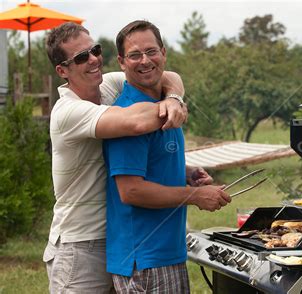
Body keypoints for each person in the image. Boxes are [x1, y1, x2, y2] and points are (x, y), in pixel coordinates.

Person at [42, 22, 188, 293]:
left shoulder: (106, 85)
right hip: (80, 246)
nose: (94, 59)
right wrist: (169, 106)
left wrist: (175, 97)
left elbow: (166, 75)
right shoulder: (68, 112)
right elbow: (136, 122)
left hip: (116, 239)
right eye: (82, 57)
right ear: (63, 71)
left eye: (94, 50)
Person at [103, 20, 232, 293]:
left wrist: (184, 172)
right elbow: (131, 191)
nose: (145, 60)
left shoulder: (164, 105)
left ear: (164, 52)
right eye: (135, 55)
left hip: (163, 252)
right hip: (146, 258)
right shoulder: (129, 116)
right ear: (121, 62)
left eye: (151, 51)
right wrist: (195, 196)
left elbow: (149, 161)